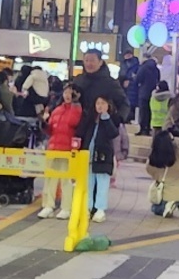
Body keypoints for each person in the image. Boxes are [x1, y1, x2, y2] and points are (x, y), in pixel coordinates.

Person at [38, 83, 82, 219]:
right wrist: (44, 124)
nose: (68, 95)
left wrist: (75, 105)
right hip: (53, 148)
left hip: (67, 150)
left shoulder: (78, 110)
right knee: (50, 179)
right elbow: (51, 129)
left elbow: (76, 125)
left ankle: (66, 207)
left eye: (71, 93)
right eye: (66, 92)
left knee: (66, 180)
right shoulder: (57, 110)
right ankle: (48, 205)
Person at [73, 48, 129, 140]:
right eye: (86, 60)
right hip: (79, 127)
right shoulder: (78, 80)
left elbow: (124, 103)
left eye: (92, 60)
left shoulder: (110, 83)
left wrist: (116, 120)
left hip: (100, 129)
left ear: (100, 62)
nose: (89, 64)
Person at [147, 127, 179, 218]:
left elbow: (150, 172)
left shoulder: (152, 161)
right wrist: (174, 140)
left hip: (168, 193)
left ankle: (171, 204)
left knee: (155, 208)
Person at [87, 95, 119, 223]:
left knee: (102, 183)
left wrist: (106, 118)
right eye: (98, 103)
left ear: (108, 105)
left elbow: (113, 133)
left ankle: (100, 209)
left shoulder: (112, 118)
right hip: (89, 157)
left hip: (103, 156)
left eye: (103, 103)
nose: (100, 106)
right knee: (89, 184)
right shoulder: (91, 119)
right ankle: (88, 207)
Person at [135, 53, 160, 135]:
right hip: (152, 93)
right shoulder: (156, 68)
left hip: (143, 92)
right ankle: (148, 128)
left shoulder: (143, 67)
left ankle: (142, 128)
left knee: (143, 111)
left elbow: (138, 79)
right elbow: (158, 80)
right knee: (149, 111)